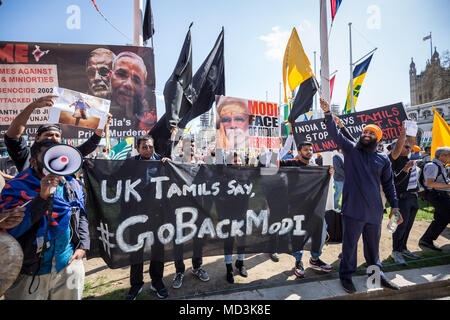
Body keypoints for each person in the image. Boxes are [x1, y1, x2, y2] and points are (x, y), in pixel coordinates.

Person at [319, 98, 402, 294]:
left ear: (378, 138)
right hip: (353, 210)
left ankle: (376, 276)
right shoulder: (351, 150)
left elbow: (389, 184)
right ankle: (346, 277)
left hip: (374, 212)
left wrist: (395, 206)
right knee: (349, 247)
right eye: (364, 131)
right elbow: (335, 135)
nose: (366, 134)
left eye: (371, 132)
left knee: (373, 249)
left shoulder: (383, 159)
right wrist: (328, 114)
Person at [1, 139, 89, 300]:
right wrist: (41, 197)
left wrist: (83, 245)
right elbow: (12, 229)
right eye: (48, 155)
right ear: (33, 161)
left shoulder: (72, 184)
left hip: (67, 265)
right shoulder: (15, 187)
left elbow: (81, 214)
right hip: (29, 271)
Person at [3, 95, 109, 173]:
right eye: (49, 135)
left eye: (57, 136)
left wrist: (101, 124)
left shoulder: (66, 155)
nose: (53, 138)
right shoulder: (26, 155)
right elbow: (12, 137)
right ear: (37, 138)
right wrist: (32, 107)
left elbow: (88, 146)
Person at [125, 135, 172, 300]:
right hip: (136, 215)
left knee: (158, 249)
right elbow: (112, 175)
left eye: (150, 147)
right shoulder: (130, 163)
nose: (148, 150)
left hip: (158, 214)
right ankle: (136, 284)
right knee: (136, 250)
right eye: (144, 147)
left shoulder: (163, 162)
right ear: (137, 149)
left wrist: (170, 165)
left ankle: (157, 281)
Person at [280, 140, 334, 278]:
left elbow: (322, 181)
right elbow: (271, 166)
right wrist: (276, 146)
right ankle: (298, 261)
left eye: (310, 149)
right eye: (305, 150)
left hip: (314, 209)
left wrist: (329, 172)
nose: (309, 152)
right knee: (298, 235)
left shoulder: (316, 167)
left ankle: (315, 259)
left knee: (320, 233)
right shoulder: (290, 163)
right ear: (299, 152)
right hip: (296, 208)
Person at [389, 121, 421, 265]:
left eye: (409, 147)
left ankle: (403, 248)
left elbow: (412, 142)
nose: (409, 149)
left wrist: (411, 130)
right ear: (399, 147)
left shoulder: (409, 158)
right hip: (401, 198)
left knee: (407, 226)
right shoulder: (394, 160)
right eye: (406, 147)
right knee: (398, 226)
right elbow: (394, 181)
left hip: (413, 197)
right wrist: (403, 133)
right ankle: (395, 251)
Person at [110, 51, 156, 131]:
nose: (128, 84)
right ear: (110, 76)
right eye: (121, 74)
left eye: (136, 80)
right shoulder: (92, 114)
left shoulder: (146, 126)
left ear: (143, 90)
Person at [418, 147, 450, 252]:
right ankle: (426, 240)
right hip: (437, 195)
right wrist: (448, 185)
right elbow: (429, 183)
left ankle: (426, 240)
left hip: (440, 195)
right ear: (441, 156)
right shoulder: (432, 166)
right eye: (449, 154)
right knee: (444, 217)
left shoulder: (439, 165)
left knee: (442, 219)